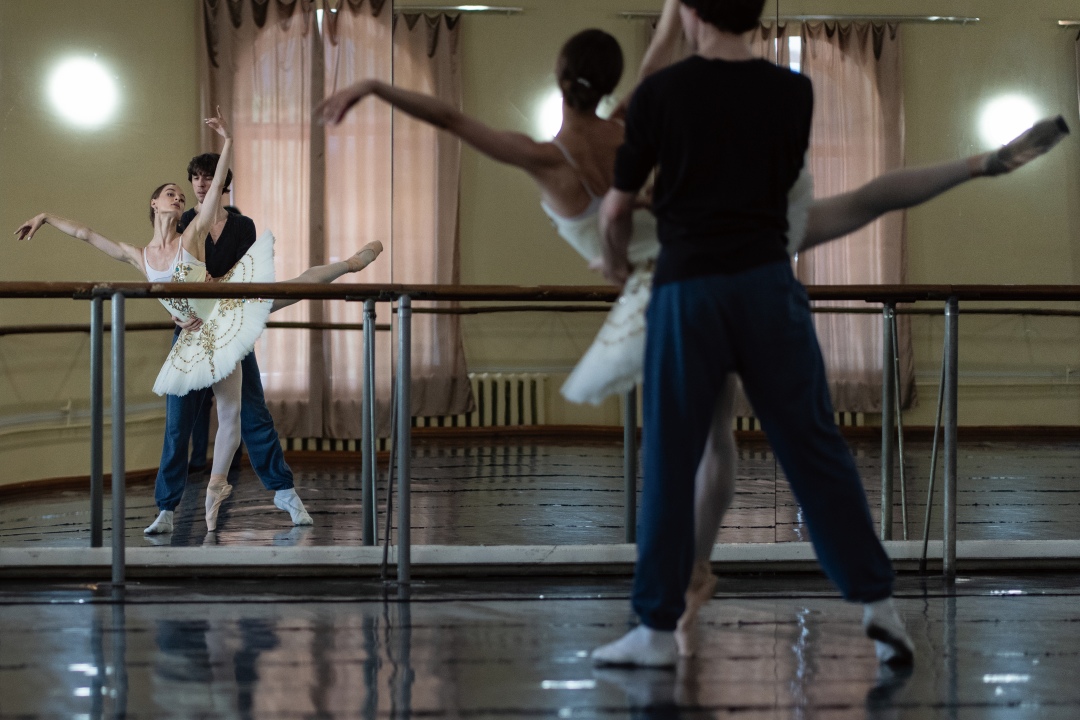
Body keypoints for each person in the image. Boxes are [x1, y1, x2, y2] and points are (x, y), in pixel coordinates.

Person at [317, 18, 1067, 663]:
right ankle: (978, 164)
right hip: (743, 251)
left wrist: (377, 87)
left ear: (559, 81)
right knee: (855, 223)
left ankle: (674, 599)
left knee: (687, 454)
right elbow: (662, 51)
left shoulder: (550, 156)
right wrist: (680, 11)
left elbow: (452, 121)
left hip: (671, 284)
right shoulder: (636, 116)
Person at [14, 112, 384, 534]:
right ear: (155, 204)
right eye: (172, 191)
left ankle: (348, 265)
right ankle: (167, 510)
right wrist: (45, 216)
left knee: (285, 306)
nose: (181, 194)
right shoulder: (141, 254)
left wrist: (229, 140)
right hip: (190, 335)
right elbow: (87, 234)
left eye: (183, 191)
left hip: (225, 313)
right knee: (178, 427)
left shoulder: (193, 231)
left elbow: (215, 203)